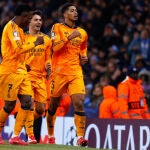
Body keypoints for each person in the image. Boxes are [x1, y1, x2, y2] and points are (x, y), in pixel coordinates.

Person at [0, 4, 44, 145]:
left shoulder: (19, 29)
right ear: (23, 16)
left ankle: (15, 136)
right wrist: (35, 43)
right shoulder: (11, 28)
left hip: (21, 70)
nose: (29, 21)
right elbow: (18, 49)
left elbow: (18, 53)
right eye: (29, 18)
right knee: (9, 106)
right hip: (10, 71)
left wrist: (24, 63)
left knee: (27, 102)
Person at [46, 3, 88, 146]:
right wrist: (69, 37)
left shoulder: (83, 32)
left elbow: (83, 48)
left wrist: (84, 57)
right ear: (65, 14)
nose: (75, 12)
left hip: (75, 71)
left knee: (79, 103)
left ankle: (80, 137)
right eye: (72, 10)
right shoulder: (57, 27)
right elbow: (54, 47)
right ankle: (51, 135)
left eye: (76, 10)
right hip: (58, 73)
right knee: (52, 106)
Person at [24, 10, 52, 144]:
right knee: (29, 103)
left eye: (40, 20)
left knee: (40, 109)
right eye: (35, 20)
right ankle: (30, 135)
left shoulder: (46, 40)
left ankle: (25, 120)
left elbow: (48, 58)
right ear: (29, 22)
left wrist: (48, 65)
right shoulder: (23, 38)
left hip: (41, 77)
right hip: (26, 76)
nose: (39, 22)